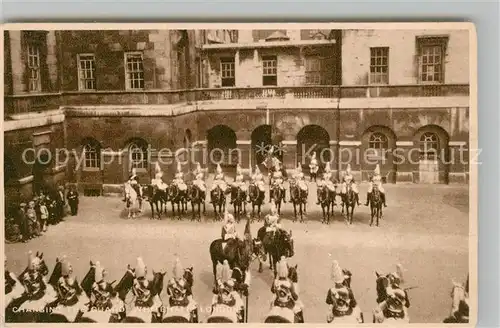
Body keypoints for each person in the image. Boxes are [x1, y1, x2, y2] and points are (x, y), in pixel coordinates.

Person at [271, 256, 304, 323]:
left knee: (270, 307)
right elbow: (294, 296)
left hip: (277, 303)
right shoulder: (289, 282)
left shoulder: (275, 281)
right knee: (300, 310)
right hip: (288, 304)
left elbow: (272, 290)